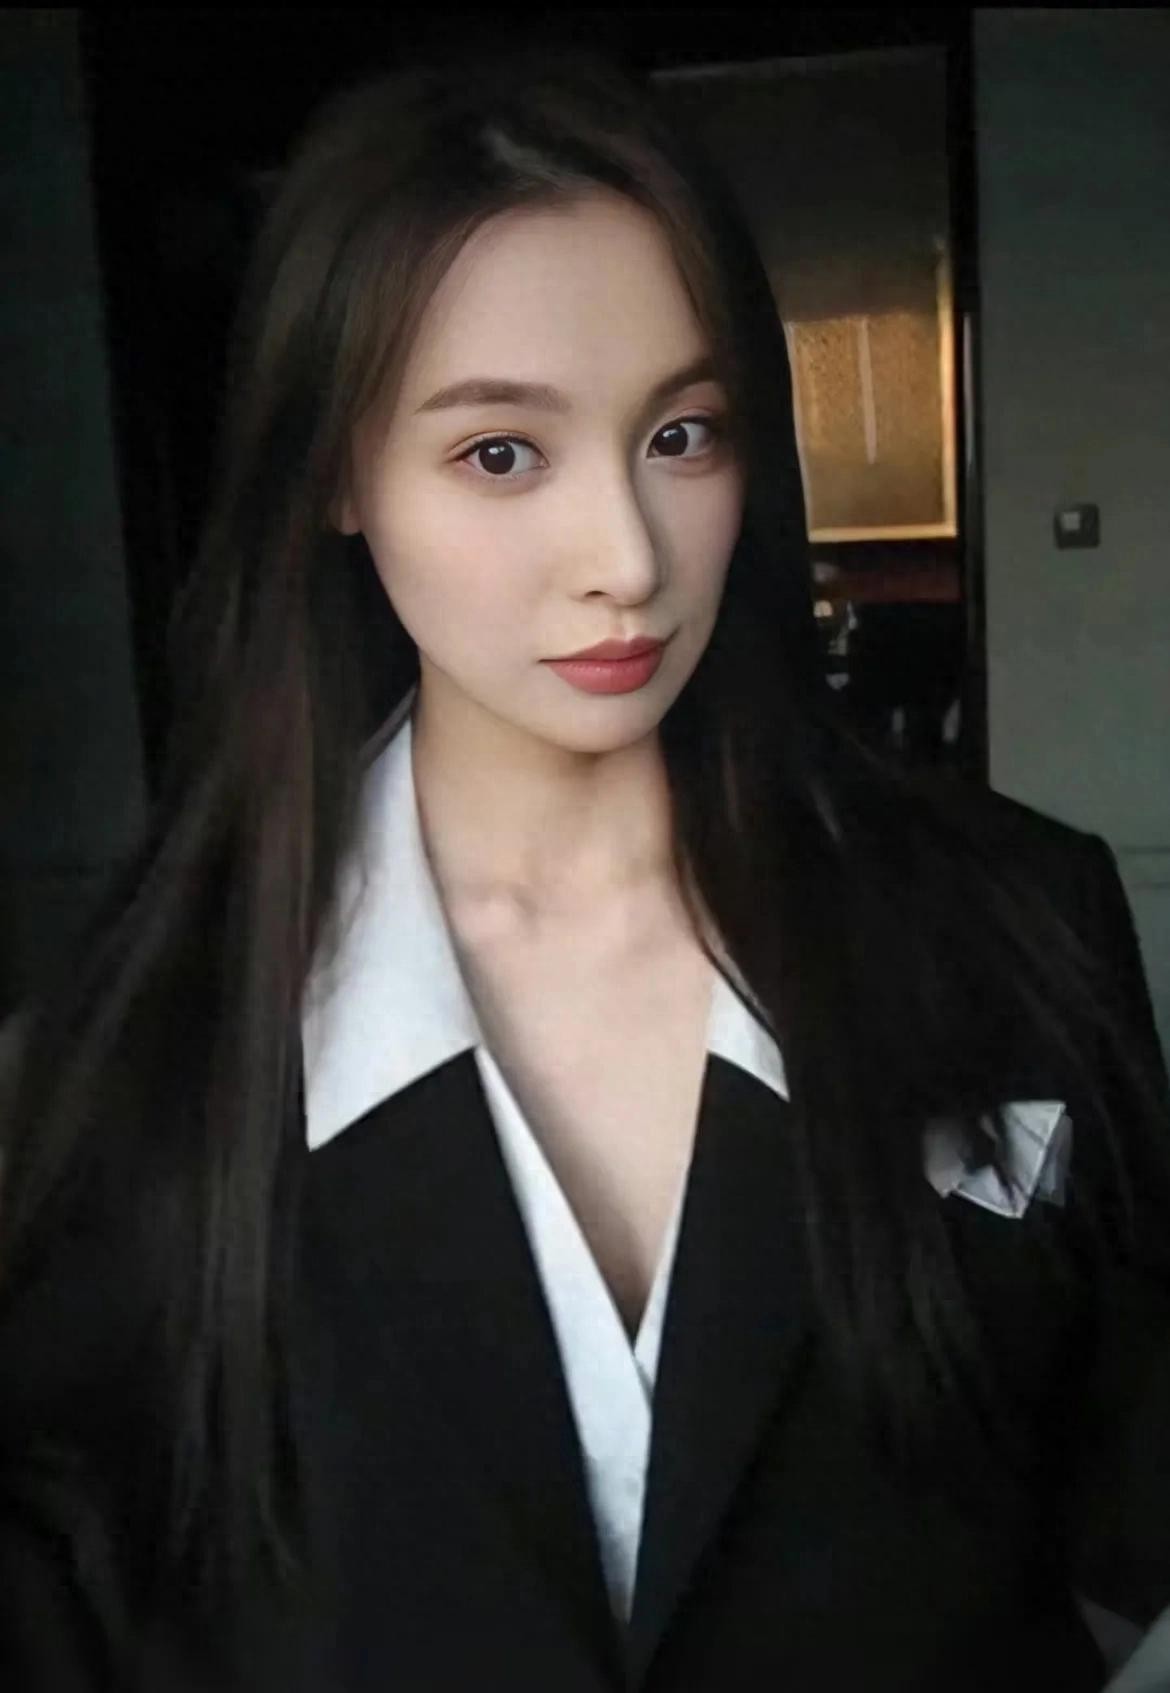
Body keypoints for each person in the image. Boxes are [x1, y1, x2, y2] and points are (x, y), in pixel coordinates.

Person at [1, 40, 1168, 1693]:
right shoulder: (128, 1055)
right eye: (500, 452)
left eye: (683, 434)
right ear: (335, 472)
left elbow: (1119, 1506)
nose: (624, 556)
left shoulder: (1012, 922)